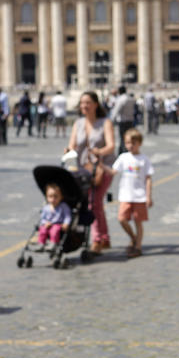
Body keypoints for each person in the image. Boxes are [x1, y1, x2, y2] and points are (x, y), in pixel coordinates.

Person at [67, 91, 115, 253]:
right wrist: (68, 150)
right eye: (82, 103)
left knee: (94, 203)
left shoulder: (105, 123)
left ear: (96, 104)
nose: (84, 106)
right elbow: (72, 144)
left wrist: (98, 152)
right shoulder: (78, 124)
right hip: (84, 170)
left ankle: (96, 240)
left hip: (103, 168)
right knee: (94, 204)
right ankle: (104, 238)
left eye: (87, 102)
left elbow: (111, 146)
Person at [106, 128, 153, 258]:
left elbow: (148, 179)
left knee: (138, 222)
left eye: (133, 143)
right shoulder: (123, 157)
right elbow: (113, 171)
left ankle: (138, 247)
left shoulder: (144, 159)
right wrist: (100, 165)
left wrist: (148, 196)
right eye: (127, 143)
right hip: (125, 195)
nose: (130, 146)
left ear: (139, 143)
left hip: (139, 196)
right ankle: (133, 237)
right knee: (122, 219)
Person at [33, 182, 71, 252]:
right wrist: (45, 223)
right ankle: (41, 243)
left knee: (55, 230)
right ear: (47, 197)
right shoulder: (46, 207)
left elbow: (67, 216)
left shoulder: (63, 206)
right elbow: (43, 218)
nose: (53, 199)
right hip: (47, 224)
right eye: (50, 196)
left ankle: (53, 243)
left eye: (56, 196)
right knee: (42, 230)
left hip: (58, 224)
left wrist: (66, 223)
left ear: (61, 196)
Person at [112, 85, 133, 153]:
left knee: (123, 138)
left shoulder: (121, 99)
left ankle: (123, 152)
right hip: (130, 120)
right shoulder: (130, 98)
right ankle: (124, 151)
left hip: (122, 121)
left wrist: (112, 120)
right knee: (129, 137)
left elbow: (116, 110)